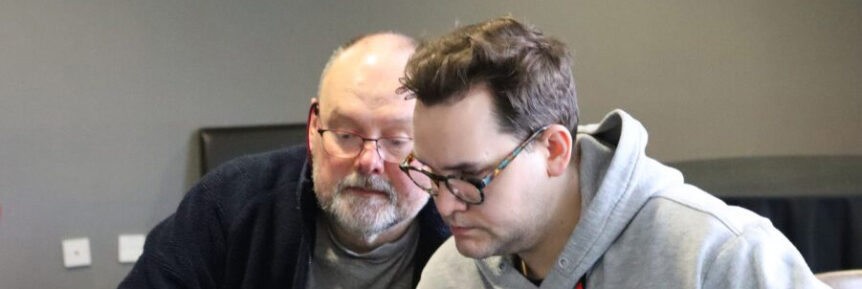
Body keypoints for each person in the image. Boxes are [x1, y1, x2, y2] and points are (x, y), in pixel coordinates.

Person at [398, 17, 828, 288]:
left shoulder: (719, 258)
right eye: (432, 176)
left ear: (553, 150)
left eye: (470, 178)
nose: (445, 204)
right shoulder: (449, 275)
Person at [119, 32, 449, 289]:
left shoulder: (468, 234)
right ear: (313, 128)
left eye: (397, 140)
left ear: (436, 144)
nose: (368, 161)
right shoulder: (228, 204)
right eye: (345, 134)